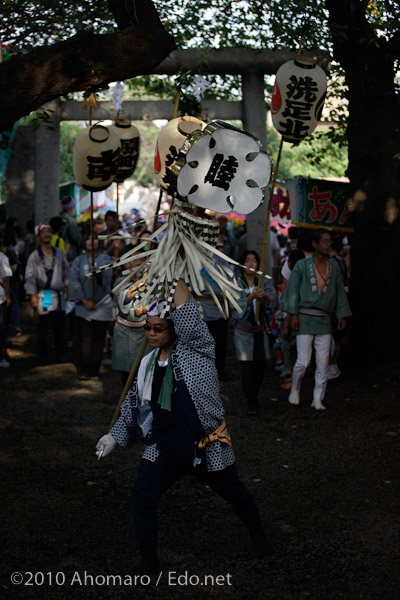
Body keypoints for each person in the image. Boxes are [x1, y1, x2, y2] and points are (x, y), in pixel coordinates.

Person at [96, 278, 273, 573]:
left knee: (235, 492)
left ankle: (258, 534)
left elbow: (188, 313)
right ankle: (148, 559)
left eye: (158, 328)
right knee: (141, 496)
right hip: (165, 448)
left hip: (205, 446)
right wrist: (113, 437)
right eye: (148, 327)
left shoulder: (198, 352)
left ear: (175, 328)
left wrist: (174, 270)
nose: (150, 333)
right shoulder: (147, 363)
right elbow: (134, 403)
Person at [282, 228, 352, 410]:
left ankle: (317, 398)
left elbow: (338, 292)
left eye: (330, 241)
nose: (328, 244)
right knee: (303, 361)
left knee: (323, 362)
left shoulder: (334, 266)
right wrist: (292, 315)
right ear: (315, 244)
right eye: (324, 241)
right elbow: (293, 292)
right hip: (304, 317)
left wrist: (341, 314)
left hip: (325, 319)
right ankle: (295, 388)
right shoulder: (301, 266)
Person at [231, 250, 278, 415]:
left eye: (254, 260)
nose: (250, 263)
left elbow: (272, 300)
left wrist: (264, 297)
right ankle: (251, 401)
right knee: (247, 368)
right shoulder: (236, 282)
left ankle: (255, 394)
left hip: (260, 332)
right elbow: (234, 306)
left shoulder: (263, 281)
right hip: (243, 333)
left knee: (260, 367)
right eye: (247, 260)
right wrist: (250, 299)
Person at [68, 231, 114, 380]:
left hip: (102, 303)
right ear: (84, 242)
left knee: (99, 338)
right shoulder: (79, 260)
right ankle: (84, 368)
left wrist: (99, 273)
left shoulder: (104, 258)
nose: (91, 242)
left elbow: (108, 279)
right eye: (88, 239)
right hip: (84, 304)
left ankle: (94, 368)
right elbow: (74, 281)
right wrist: (83, 300)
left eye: (94, 239)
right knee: (85, 338)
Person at [24, 223, 70, 363]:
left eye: (49, 232)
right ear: (38, 236)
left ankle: (59, 353)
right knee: (44, 325)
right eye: (43, 232)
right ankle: (43, 354)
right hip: (46, 294)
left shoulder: (59, 253)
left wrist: (67, 284)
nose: (46, 235)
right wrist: (32, 294)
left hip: (59, 292)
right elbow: (30, 275)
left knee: (59, 325)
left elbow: (66, 271)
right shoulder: (34, 256)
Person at [111, 248, 150, 386]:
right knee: (127, 375)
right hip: (125, 331)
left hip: (145, 331)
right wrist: (140, 284)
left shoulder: (152, 281)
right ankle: (127, 403)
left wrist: (146, 308)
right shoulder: (120, 280)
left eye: (140, 259)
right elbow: (123, 297)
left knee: (144, 369)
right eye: (133, 260)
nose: (137, 263)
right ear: (127, 264)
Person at [0, 231, 12, 367]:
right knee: (1, 329)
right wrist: (8, 296)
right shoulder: (2, 257)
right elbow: (5, 278)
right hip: (1, 297)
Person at [59, 196, 82, 264]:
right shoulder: (71, 221)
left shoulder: (58, 217)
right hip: (69, 253)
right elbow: (75, 238)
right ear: (71, 207)